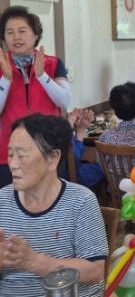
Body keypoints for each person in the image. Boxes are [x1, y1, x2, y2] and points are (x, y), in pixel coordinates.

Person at [0, 113, 107, 296]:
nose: (13, 164)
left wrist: (34, 262)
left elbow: (95, 271)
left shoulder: (81, 201)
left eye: (22, 155)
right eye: (10, 154)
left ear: (53, 158)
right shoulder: (2, 201)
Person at [0, 6, 71, 188]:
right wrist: (6, 79)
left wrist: (42, 76)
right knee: (11, 202)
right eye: (10, 32)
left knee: (52, 199)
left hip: (48, 149)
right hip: (10, 153)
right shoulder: (1, 65)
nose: (16, 37)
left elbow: (64, 100)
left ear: (35, 34)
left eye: (22, 31)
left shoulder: (53, 63)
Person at [66, 108, 105, 189]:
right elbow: (73, 159)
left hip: (73, 171)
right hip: (71, 178)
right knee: (105, 166)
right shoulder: (61, 130)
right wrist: (72, 127)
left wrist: (80, 129)